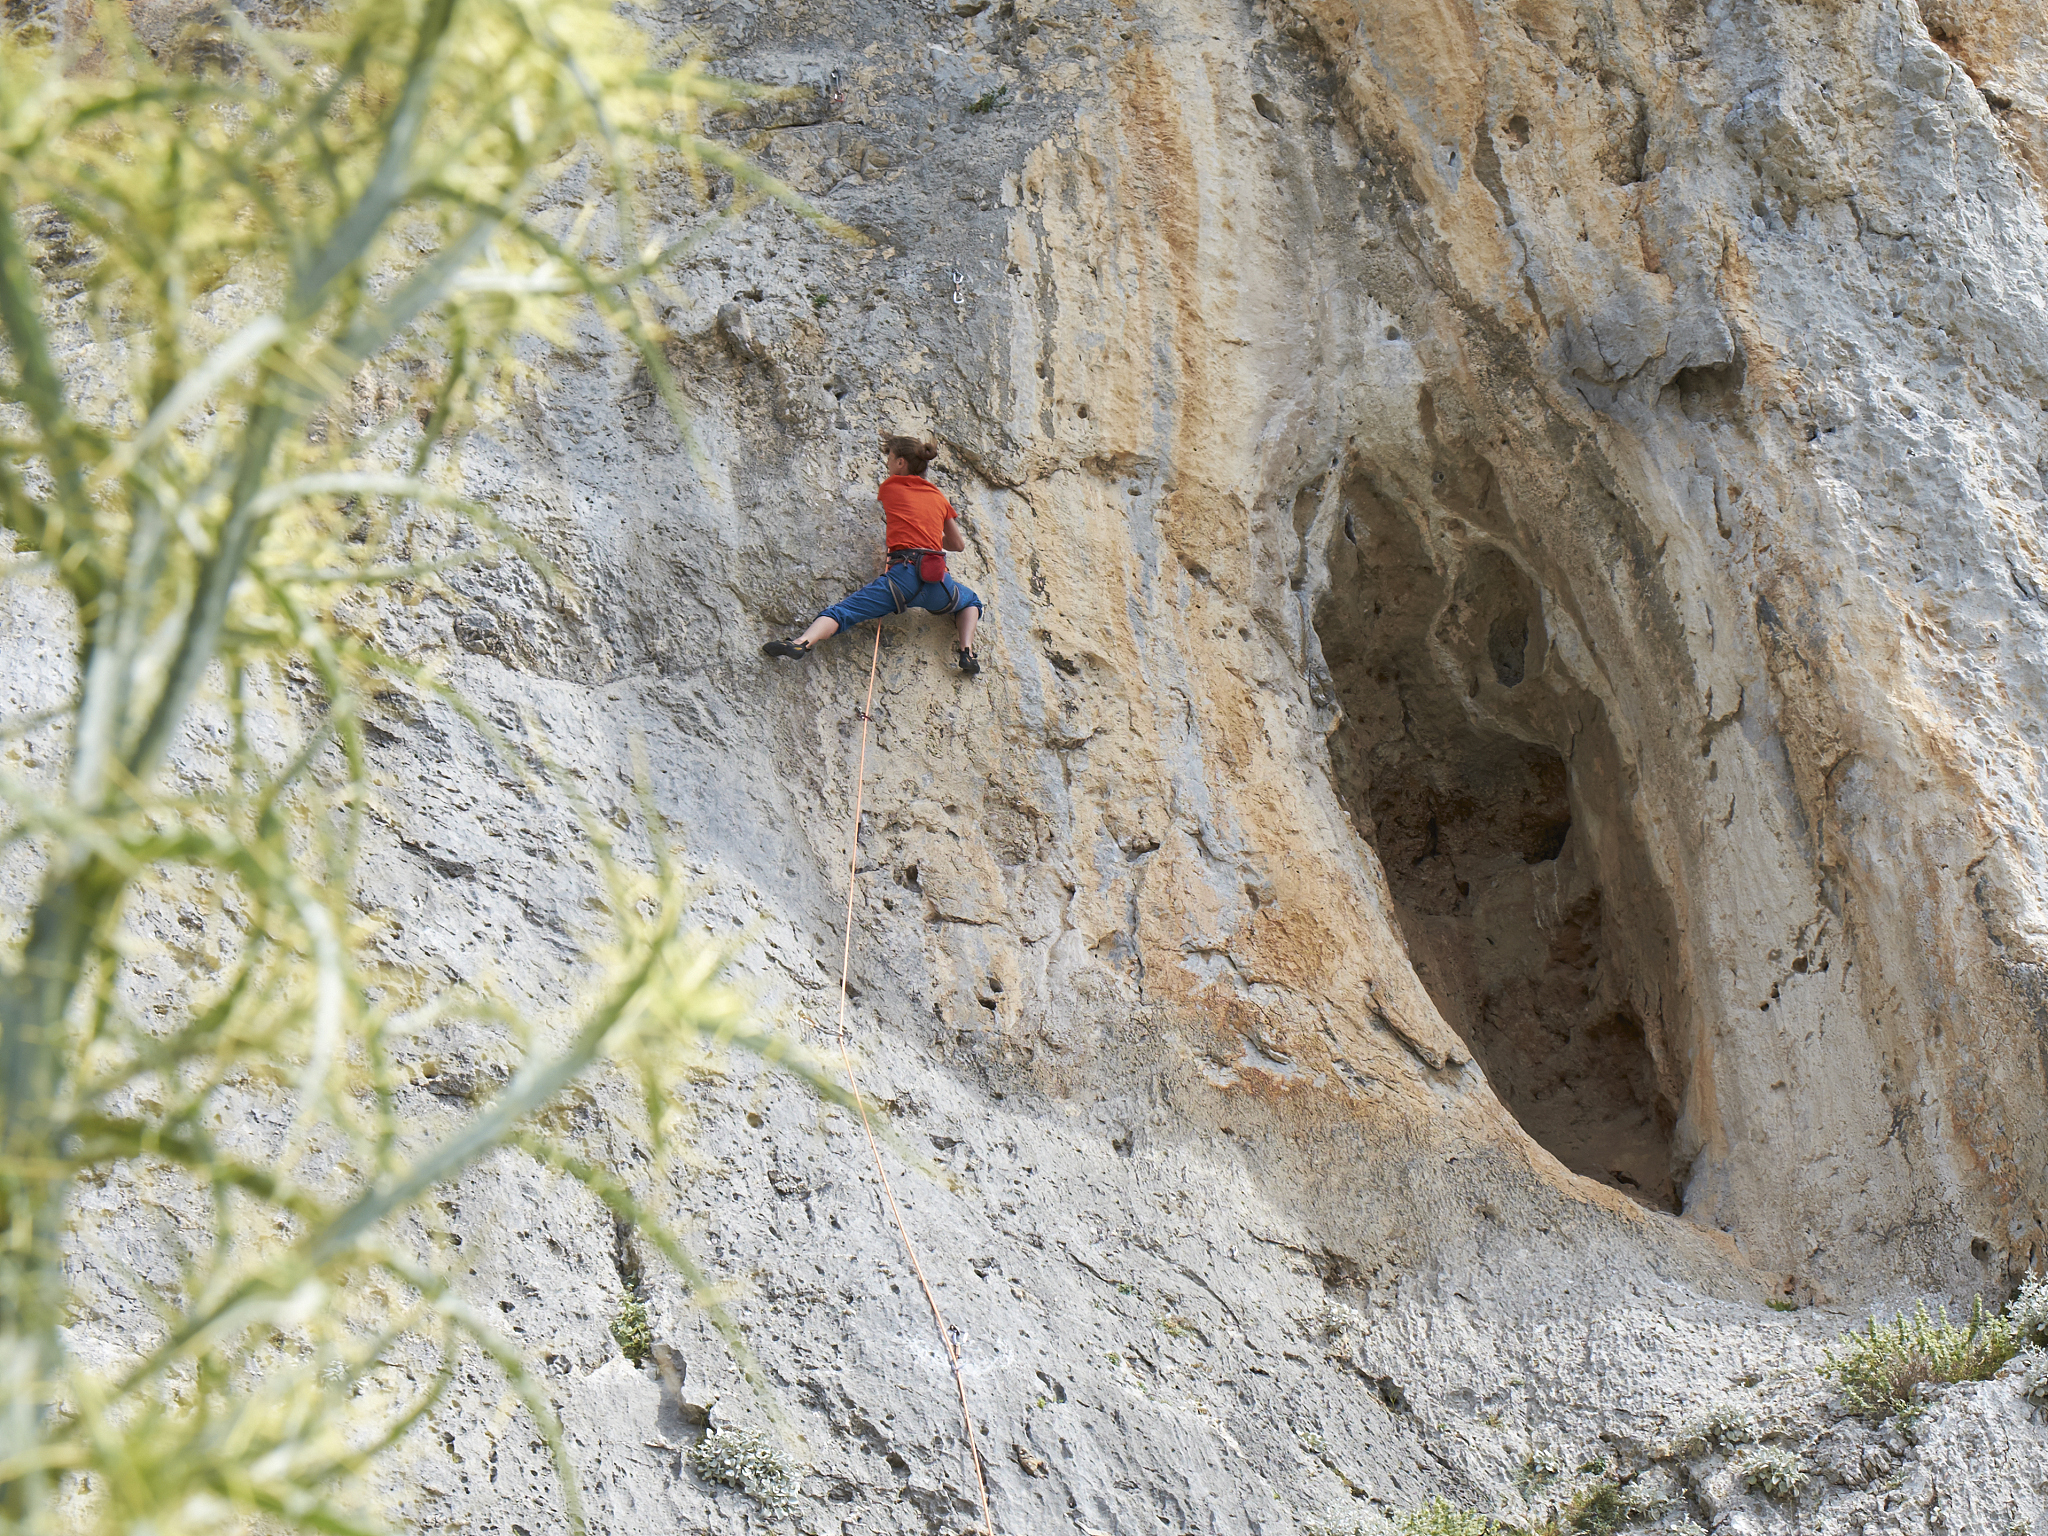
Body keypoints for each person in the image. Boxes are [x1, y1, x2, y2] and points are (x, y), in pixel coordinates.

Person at [761, 434, 983, 675]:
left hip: (902, 579)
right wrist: (928, 538)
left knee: (842, 613)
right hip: (937, 581)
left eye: (890, 458)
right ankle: (967, 653)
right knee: (971, 601)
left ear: (901, 463)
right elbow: (957, 544)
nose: (887, 463)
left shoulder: (890, 487)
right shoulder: (938, 497)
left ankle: (800, 643)